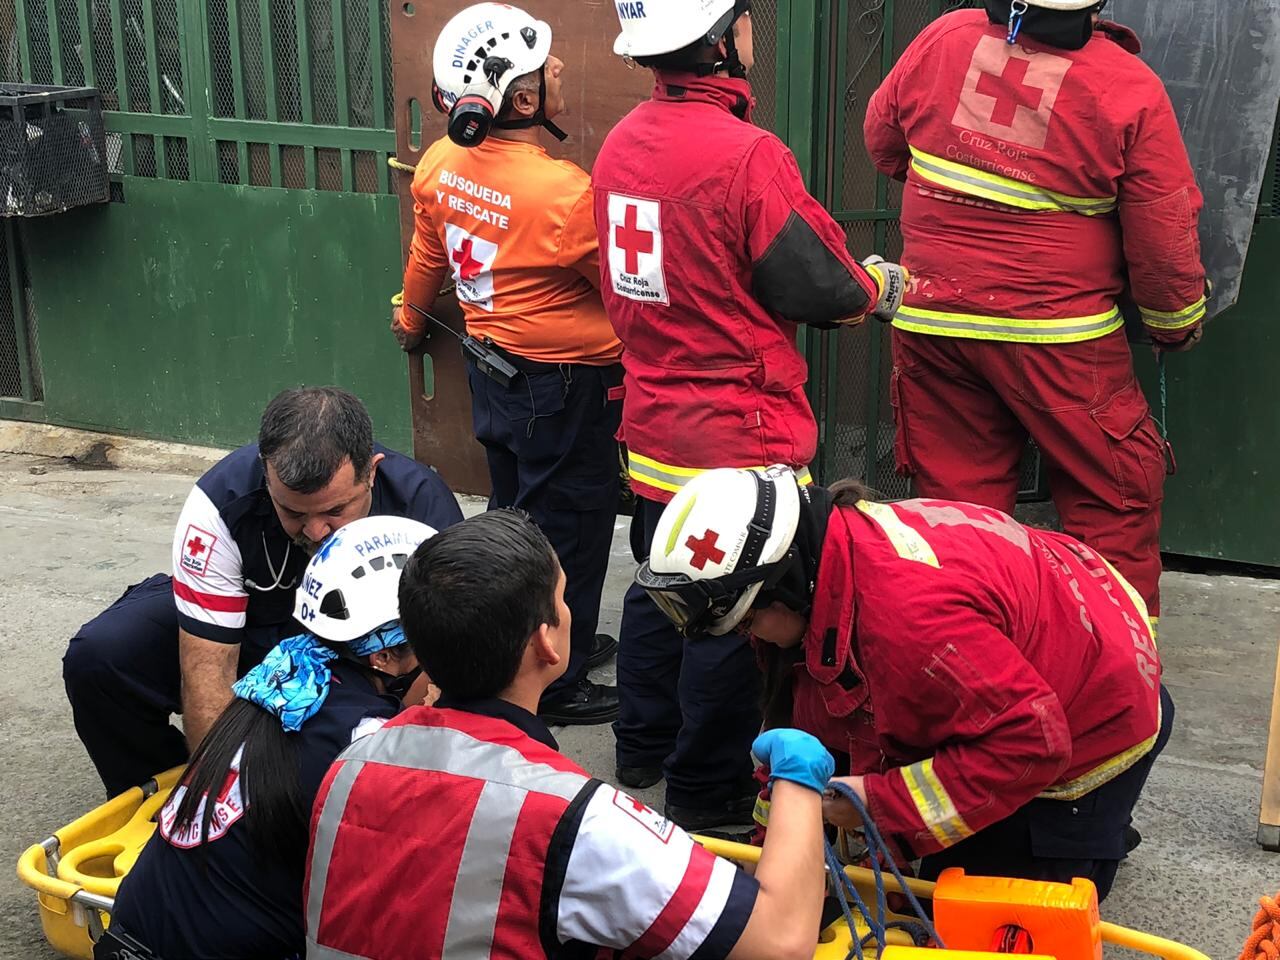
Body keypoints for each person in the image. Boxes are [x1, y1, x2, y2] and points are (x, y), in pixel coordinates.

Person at [591, 0, 909, 830]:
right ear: (719, 38)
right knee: (732, 622)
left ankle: (641, 747)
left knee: (660, 585)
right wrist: (879, 287)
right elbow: (824, 286)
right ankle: (707, 796)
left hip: (653, 426)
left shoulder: (623, 140)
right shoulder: (746, 155)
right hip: (738, 441)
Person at [305, 510, 836, 960]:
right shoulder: (574, 819)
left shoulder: (349, 763)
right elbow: (781, 940)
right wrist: (797, 776)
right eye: (563, 598)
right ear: (546, 643)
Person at [637, 465, 1173, 901]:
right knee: (904, 865)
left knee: (961, 915)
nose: (748, 637)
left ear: (786, 585)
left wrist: (881, 803)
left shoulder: (907, 623)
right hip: (1030, 656)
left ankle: (1082, 837)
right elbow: (818, 719)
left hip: (1093, 714)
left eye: (749, 622)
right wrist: (774, 843)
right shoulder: (821, 564)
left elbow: (1032, 741)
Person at [863, 0, 1208, 625]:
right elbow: (1163, 231)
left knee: (957, 512)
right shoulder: (1126, 85)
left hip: (933, 326)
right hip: (1060, 341)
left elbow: (884, 144)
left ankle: (963, 654)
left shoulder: (943, 38)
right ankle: (1112, 673)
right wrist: (1173, 322)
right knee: (1115, 495)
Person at [391, 2, 622, 726]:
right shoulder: (562, 194)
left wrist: (408, 316)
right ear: (522, 101)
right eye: (546, 65)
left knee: (518, 518)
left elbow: (429, 254)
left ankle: (540, 643)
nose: (558, 69)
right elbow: (624, 296)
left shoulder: (439, 163)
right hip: (564, 386)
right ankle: (560, 677)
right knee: (572, 529)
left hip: (495, 377)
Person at [63, 387, 463, 797]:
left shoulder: (423, 506)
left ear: (372, 472)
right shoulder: (219, 503)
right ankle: (172, 797)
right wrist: (215, 804)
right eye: (293, 512)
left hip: (368, 657)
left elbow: (444, 663)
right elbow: (207, 672)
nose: (315, 531)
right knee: (102, 656)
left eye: (334, 512)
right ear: (265, 470)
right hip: (251, 632)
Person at [99, 517, 436, 960]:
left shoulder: (283, 678)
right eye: (442, 649)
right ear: (386, 655)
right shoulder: (368, 743)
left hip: (126, 938)